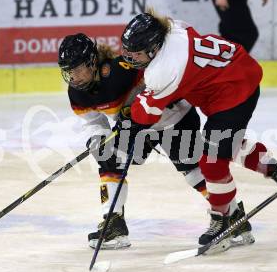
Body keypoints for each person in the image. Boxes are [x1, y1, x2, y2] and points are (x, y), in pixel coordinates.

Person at [117, 9, 277, 249]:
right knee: (225, 145)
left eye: (136, 53)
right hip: (233, 74)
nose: (131, 57)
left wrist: (131, 119)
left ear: (154, 48)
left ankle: (222, 223)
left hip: (232, 91)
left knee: (211, 161)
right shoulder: (173, 28)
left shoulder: (164, 69)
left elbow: (145, 116)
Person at [57, 33, 254, 250]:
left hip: (172, 117)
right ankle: (113, 224)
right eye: (68, 71)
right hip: (135, 126)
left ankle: (234, 217)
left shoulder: (122, 70)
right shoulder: (77, 93)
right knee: (109, 159)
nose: (72, 77)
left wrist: (146, 109)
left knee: (192, 171)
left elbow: (163, 81)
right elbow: (93, 120)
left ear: (92, 62)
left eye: (76, 69)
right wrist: (96, 138)